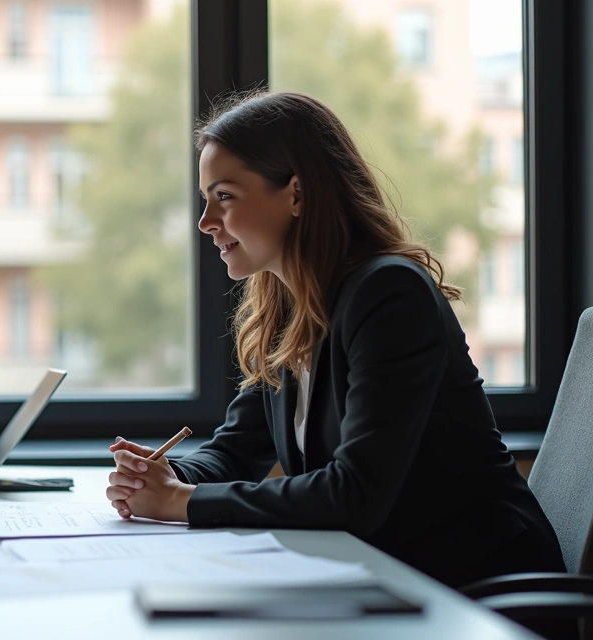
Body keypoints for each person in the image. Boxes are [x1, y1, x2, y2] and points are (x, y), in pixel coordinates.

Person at [107, 91, 565, 590]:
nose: (205, 222)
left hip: (478, 585)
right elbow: (236, 451)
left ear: (296, 195)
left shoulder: (390, 294)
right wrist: (164, 475)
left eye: (225, 197)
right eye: (205, 200)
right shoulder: (288, 307)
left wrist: (181, 501)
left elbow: (355, 493)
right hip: (386, 574)